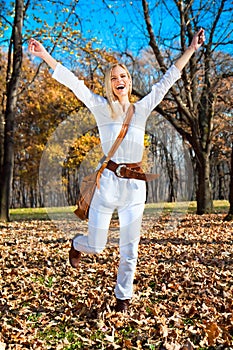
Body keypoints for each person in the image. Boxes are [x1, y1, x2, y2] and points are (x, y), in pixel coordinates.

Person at [28, 28, 205, 312]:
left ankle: (123, 297)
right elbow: (74, 83)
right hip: (107, 184)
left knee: (129, 248)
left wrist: (192, 49)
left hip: (135, 188)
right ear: (109, 85)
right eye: (113, 78)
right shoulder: (100, 107)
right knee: (96, 245)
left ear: (129, 82)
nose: (118, 80)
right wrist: (44, 55)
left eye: (123, 76)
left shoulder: (142, 107)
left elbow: (168, 78)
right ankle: (78, 244)